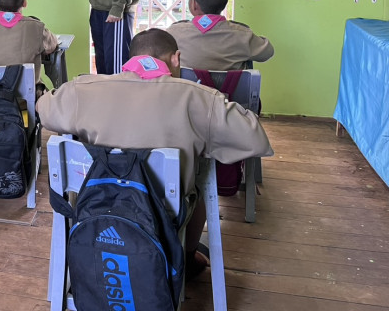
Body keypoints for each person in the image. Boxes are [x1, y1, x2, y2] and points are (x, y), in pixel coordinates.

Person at [36, 28, 272, 279]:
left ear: (130, 59)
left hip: (94, 206)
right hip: (164, 214)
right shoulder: (198, 97)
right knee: (197, 186)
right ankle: (186, 257)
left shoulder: (82, 89)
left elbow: (44, 109)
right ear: (176, 59)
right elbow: (255, 139)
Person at [167, 0, 274, 70]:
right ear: (225, 3)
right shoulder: (243, 36)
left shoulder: (174, 33)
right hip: (230, 87)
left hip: (186, 87)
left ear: (193, 4)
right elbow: (267, 53)